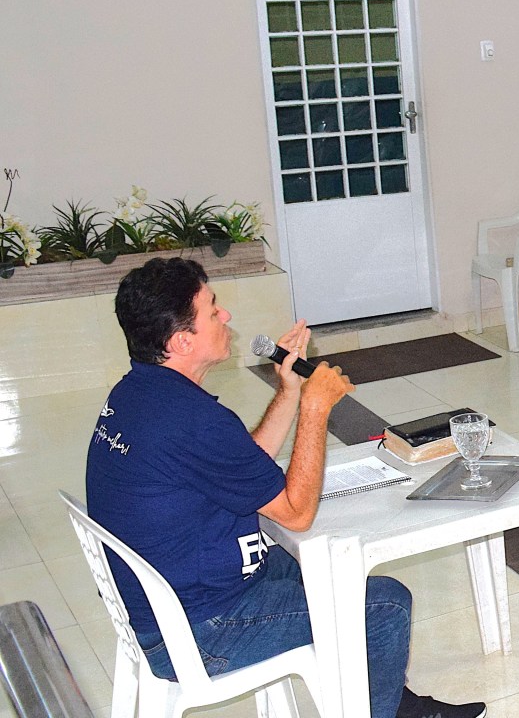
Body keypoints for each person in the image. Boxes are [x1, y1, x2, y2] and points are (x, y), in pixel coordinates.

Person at [86, 258, 483, 718]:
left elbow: (240, 463)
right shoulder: (193, 420)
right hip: (201, 630)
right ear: (182, 341)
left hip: (174, 599)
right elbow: (296, 513)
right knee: (386, 606)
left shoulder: (137, 393)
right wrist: (315, 409)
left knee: (324, 569)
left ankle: (391, 702)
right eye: (212, 311)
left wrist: (291, 390)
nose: (226, 315)